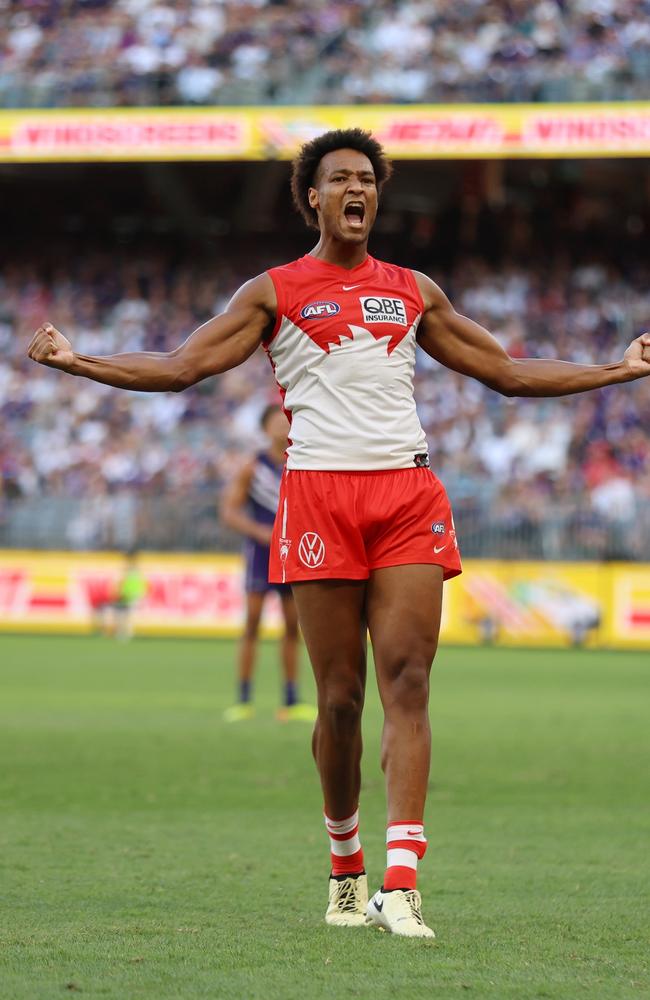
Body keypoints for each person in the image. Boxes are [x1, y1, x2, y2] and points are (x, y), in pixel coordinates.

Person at [27, 128, 650, 939]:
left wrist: (615, 370)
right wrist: (80, 362)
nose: (358, 190)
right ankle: (346, 868)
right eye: (341, 180)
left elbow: (505, 371)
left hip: (406, 493)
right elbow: (182, 366)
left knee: (410, 679)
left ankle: (403, 883)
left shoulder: (413, 291)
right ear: (313, 198)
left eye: (369, 179)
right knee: (340, 700)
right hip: (318, 497)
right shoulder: (274, 291)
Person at [220, 403, 316, 723]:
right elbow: (230, 512)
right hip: (261, 553)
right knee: (252, 623)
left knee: (292, 626)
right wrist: (260, 532)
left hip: (293, 552)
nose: (282, 426)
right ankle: (244, 699)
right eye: (275, 421)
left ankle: (290, 700)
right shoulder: (253, 467)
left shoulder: (302, 463)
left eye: (285, 420)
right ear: (264, 429)